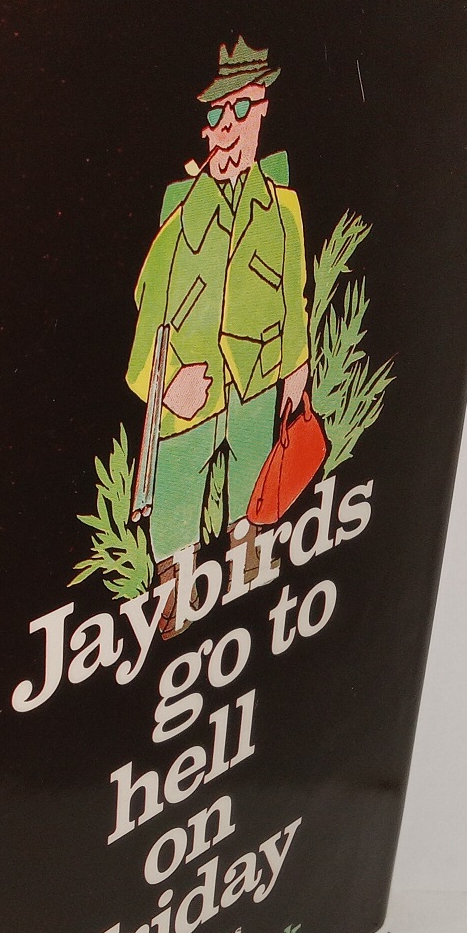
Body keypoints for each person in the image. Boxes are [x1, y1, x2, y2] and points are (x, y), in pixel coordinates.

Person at [126, 38, 311, 575]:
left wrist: (297, 367)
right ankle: (173, 599)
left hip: (257, 381)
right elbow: (144, 334)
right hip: (190, 395)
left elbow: (293, 298)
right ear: (205, 129)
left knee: (253, 501)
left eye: (241, 107)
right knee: (177, 513)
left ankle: (248, 572)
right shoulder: (177, 223)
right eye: (216, 113)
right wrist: (165, 388)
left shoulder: (283, 208)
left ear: (263, 110)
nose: (228, 125)